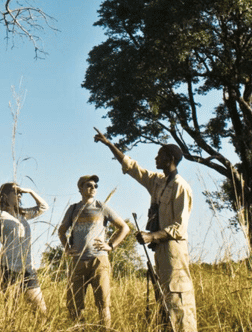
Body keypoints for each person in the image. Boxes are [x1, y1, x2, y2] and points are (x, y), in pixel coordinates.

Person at [94, 130, 197, 332]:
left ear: (171, 159)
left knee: (178, 296)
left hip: (174, 250)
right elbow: (132, 167)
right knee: (164, 298)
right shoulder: (158, 181)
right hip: (159, 249)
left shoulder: (181, 187)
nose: (155, 158)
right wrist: (108, 144)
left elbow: (179, 227)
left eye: (160, 155)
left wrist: (151, 235)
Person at [57, 174, 129, 327]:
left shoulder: (101, 207)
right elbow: (61, 231)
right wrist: (67, 248)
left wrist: (111, 246)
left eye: (95, 186)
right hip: (78, 261)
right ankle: (78, 329)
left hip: (98, 260)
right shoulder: (73, 209)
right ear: (80, 188)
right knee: (74, 305)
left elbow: (124, 227)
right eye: (89, 185)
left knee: (103, 304)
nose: (93, 188)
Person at [0, 182, 49, 315]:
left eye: (20, 193)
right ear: (5, 196)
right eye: (16, 192)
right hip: (9, 270)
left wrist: (29, 191)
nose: (20, 195)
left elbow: (44, 207)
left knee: (42, 313)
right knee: (12, 314)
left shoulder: (22, 214)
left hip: (28, 269)